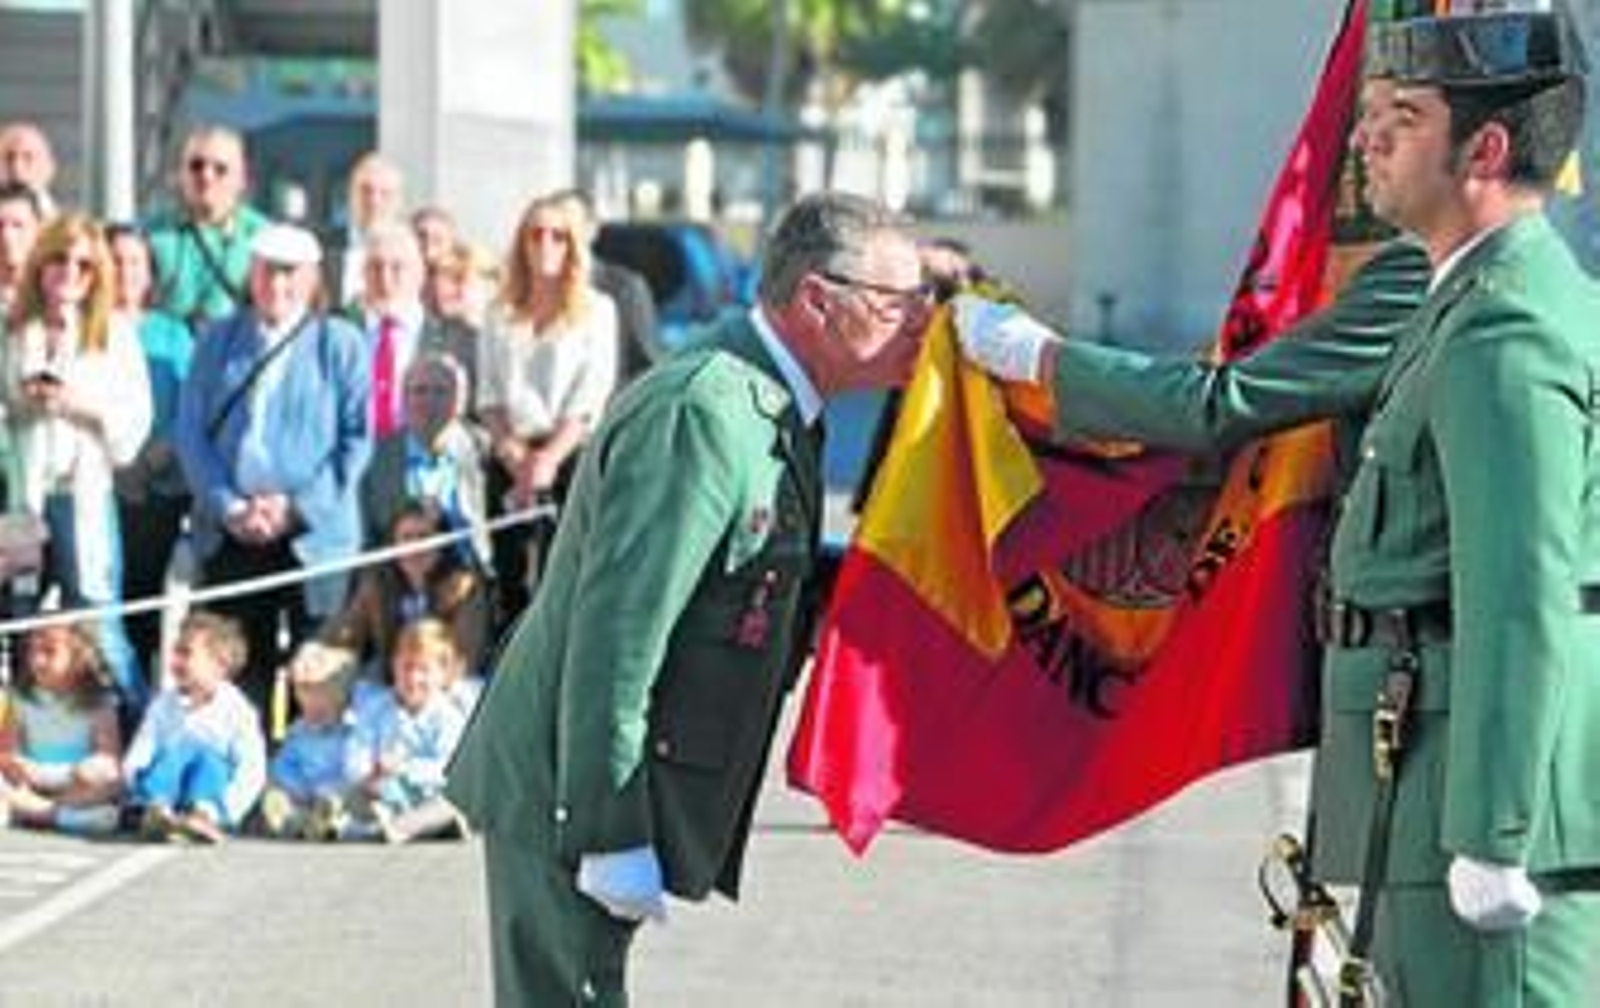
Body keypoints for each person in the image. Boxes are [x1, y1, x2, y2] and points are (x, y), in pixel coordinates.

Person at [954, 9, 1600, 1001]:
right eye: (1371, 112)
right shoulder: (1466, 302)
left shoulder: (1506, 334)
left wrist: (1492, 832)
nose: (1365, 138)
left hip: (1472, 811)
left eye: (1403, 117)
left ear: (1485, 150)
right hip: (1420, 777)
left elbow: (1519, 600)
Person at [444, 190, 928, 1005]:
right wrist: (606, 831)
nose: (920, 323)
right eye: (897, 303)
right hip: (567, 783)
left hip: (604, 772)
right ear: (818, 301)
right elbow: (617, 636)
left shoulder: (770, 398)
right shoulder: (703, 411)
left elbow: (749, 571)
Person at [174, 222, 372, 720]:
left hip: (314, 538)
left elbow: (356, 440)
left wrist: (295, 509)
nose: (277, 284)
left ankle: (307, 765)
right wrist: (229, 506)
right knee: (236, 672)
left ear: (312, 277)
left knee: (317, 670)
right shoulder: (219, 339)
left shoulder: (340, 342)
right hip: (233, 533)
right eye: (267, 270)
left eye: (290, 272)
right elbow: (191, 432)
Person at [2, 213, 152, 722]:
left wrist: (72, 404)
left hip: (82, 495)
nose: (70, 272)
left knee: (100, 628)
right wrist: (23, 402)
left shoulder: (114, 334)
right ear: (40, 264)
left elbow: (132, 424)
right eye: (59, 259)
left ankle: (135, 744)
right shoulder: (12, 330)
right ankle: (29, 748)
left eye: (84, 265)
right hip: (23, 498)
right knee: (23, 631)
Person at [477, 191, 620, 623]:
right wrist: (514, 454)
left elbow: (590, 395)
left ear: (573, 245)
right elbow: (489, 394)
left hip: (571, 456)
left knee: (563, 580)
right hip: (510, 452)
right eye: (535, 234)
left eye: (558, 236)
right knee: (510, 581)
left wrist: (548, 460)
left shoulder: (597, 310)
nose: (545, 244)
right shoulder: (498, 311)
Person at [107, 223, 194, 677]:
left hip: (158, 488)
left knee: (144, 604)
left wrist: (149, 461)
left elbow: (191, 409)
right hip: (100, 485)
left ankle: (140, 695)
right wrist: (116, 467)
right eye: (115, 261)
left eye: (135, 261)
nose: (125, 271)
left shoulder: (173, 334)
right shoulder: (88, 328)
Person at [123, 610, 266, 844]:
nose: (175, 661)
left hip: (212, 797)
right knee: (175, 753)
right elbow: (142, 748)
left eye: (186, 653)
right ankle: (157, 813)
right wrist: (135, 781)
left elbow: (252, 769)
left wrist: (229, 808)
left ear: (220, 663)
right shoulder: (164, 703)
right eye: (175, 652)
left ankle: (203, 817)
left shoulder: (238, 711)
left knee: (207, 757)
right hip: (166, 795)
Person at [321, 499, 491, 683]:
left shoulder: (464, 588)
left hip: (446, 687)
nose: (414, 547)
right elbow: (347, 635)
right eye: (406, 537)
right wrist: (324, 658)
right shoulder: (377, 584)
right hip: (393, 686)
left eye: (423, 537)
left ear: (441, 546)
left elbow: (465, 659)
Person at [358, 351, 489, 569]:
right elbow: (366, 540)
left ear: (461, 401)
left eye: (441, 391)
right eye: (419, 390)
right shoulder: (374, 458)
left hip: (467, 574)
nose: (429, 401)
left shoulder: (480, 447)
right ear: (403, 399)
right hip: (398, 578)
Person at [345, 618, 469, 844]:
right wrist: (372, 772)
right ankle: (395, 825)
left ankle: (400, 827)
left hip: (430, 796)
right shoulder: (376, 709)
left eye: (424, 669)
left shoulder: (447, 715)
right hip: (384, 795)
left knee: (452, 803)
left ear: (443, 673)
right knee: (352, 797)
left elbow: (450, 767)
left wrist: (406, 768)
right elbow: (356, 750)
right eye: (407, 667)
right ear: (394, 666)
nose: (413, 678)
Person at [0, 623, 123, 834]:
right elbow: (9, 754)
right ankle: (64, 818)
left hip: (74, 784)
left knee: (111, 778)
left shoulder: (99, 702)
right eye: (32, 651)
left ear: (78, 658)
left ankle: (32, 812)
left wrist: (83, 770)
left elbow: (109, 758)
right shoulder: (20, 698)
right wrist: (21, 769)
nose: (37, 660)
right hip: (30, 783)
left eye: (49, 652)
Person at [146, 125, 268, 334]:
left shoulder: (264, 238)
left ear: (242, 179)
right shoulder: (151, 235)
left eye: (220, 169)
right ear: (181, 174)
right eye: (196, 166)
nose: (206, 176)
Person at [258, 640, 360, 841]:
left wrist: (331, 790)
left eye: (313, 690)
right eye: (300, 690)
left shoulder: (351, 731)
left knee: (344, 803)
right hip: (302, 792)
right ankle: (295, 822)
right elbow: (285, 763)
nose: (305, 699)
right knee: (274, 794)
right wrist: (293, 786)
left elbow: (355, 769)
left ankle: (325, 824)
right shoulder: (298, 731)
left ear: (338, 694)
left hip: (336, 793)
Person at [560, 188, 661, 386]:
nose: (560, 236)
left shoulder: (625, 288)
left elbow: (645, 367)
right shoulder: (537, 289)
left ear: (591, 229)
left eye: (569, 225)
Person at [325, 152, 406, 309]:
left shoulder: (412, 249)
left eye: (385, 193)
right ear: (351, 195)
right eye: (366, 190)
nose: (374, 201)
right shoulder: (324, 244)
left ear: (398, 201)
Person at [0, 121, 58, 219]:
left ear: (43, 163)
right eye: (10, 157)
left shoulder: (46, 207)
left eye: (28, 157)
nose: (16, 165)